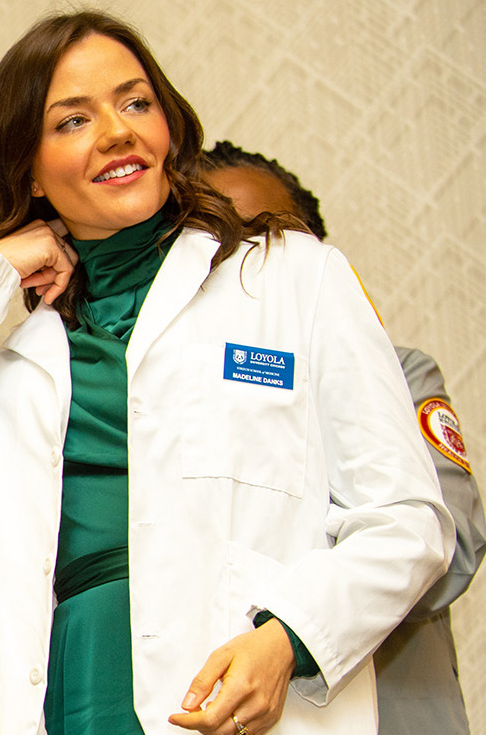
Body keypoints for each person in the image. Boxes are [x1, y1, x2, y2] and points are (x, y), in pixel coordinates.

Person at [0, 12, 451, 735]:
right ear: (29, 172)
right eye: (73, 120)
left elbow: (407, 521)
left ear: (169, 123)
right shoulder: (32, 360)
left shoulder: (295, 278)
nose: (116, 130)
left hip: (242, 698)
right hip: (80, 692)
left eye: (136, 102)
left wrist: (287, 638)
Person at [203, 140, 484, 735]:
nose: (247, 262)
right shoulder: (180, 412)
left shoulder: (401, 373)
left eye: (269, 238)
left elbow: (449, 552)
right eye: (218, 242)